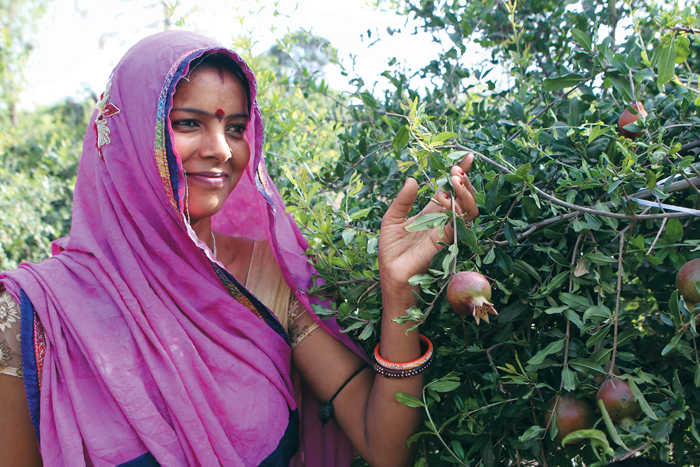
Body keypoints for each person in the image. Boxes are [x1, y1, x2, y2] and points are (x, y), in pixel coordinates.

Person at [0, 31, 477, 466]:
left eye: (234, 128)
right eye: (189, 123)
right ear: (125, 139)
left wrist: (399, 292)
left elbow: (385, 447)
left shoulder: (263, 276)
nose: (223, 150)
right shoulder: (36, 315)